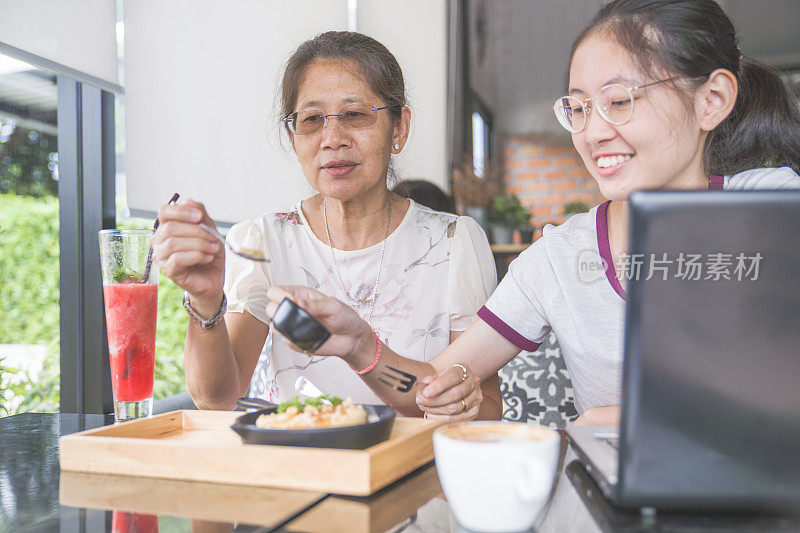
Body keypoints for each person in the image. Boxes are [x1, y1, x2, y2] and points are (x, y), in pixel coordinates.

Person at [263, 0, 800, 424]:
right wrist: (362, 347)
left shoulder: (773, 206)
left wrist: (624, 420)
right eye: (579, 107)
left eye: (620, 101)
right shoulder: (559, 259)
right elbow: (434, 388)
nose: (593, 131)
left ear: (711, 100)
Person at [150, 31, 500, 417]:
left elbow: (488, 407)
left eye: (354, 115)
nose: (332, 139)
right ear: (294, 137)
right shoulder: (263, 242)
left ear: (398, 127)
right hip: (302, 465)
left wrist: (458, 404)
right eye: (312, 120)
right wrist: (204, 300)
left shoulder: (453, 243)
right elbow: (216, 398)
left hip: (413, 468)